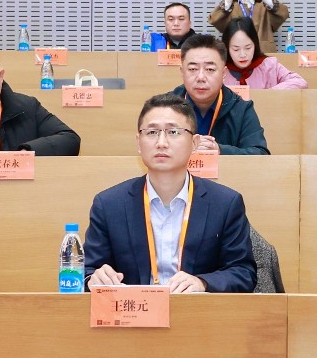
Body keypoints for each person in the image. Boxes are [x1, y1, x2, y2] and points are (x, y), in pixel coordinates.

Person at [82, 92, 256, 293]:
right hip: (136, 311)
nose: (161, 142)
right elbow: (87, 270)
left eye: (173, 132)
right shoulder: (109, 204)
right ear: (138, 142)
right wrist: (93, 278)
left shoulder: (225, 203)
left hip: (195, 309)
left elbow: (243, 272)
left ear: (194, 143)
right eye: (152, 132)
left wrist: (203, 283)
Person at [169, 33, 269, 154]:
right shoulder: (165, 107)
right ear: (182, 72)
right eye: (193, 69)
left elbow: (260, 153)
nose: (201, 77)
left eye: (210, 69)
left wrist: (220, 151)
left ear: (224, 73)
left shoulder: (241, 109)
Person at [208, 0, 290, 54]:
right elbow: (214, 19)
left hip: (263, 52)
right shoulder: (230, 7)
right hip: (237, 54)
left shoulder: (265, 6)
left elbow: (283, 13)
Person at [223, 17, 306, 89]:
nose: (243, 54)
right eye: (236, 49)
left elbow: (300, 82)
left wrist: (269, 93)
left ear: (255, 44)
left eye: (248, 48)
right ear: (227, 48)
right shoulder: (221, 70)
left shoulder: (269, 65)